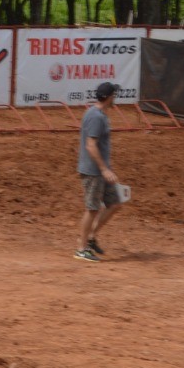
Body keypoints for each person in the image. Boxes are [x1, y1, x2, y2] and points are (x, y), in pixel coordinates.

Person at [74, 81, 125, 262]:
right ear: (109, 97)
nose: (115, 98)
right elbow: (90, 145)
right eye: (114, 95)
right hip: (94, 171)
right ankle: (81, 248)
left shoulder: (99, 114)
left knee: (116, 203)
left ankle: (91, 237)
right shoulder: (96, 117)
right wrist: (103, 169)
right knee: (92, 208)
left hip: (101, 170)